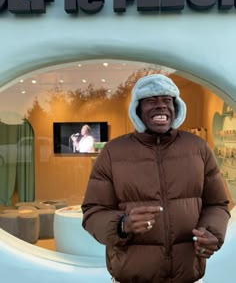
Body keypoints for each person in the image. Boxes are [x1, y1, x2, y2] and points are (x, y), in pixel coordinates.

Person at [82, 74, 230, 283]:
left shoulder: (198, 148)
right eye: (151, 100)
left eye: (167, 100)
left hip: (189, 277)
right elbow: (92, 213)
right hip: (132, 277)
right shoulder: (112, 152)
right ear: (138, 109)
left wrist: (212, 233)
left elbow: (217, 203)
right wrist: (122, 225)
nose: (161, 106)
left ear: (176, 107)